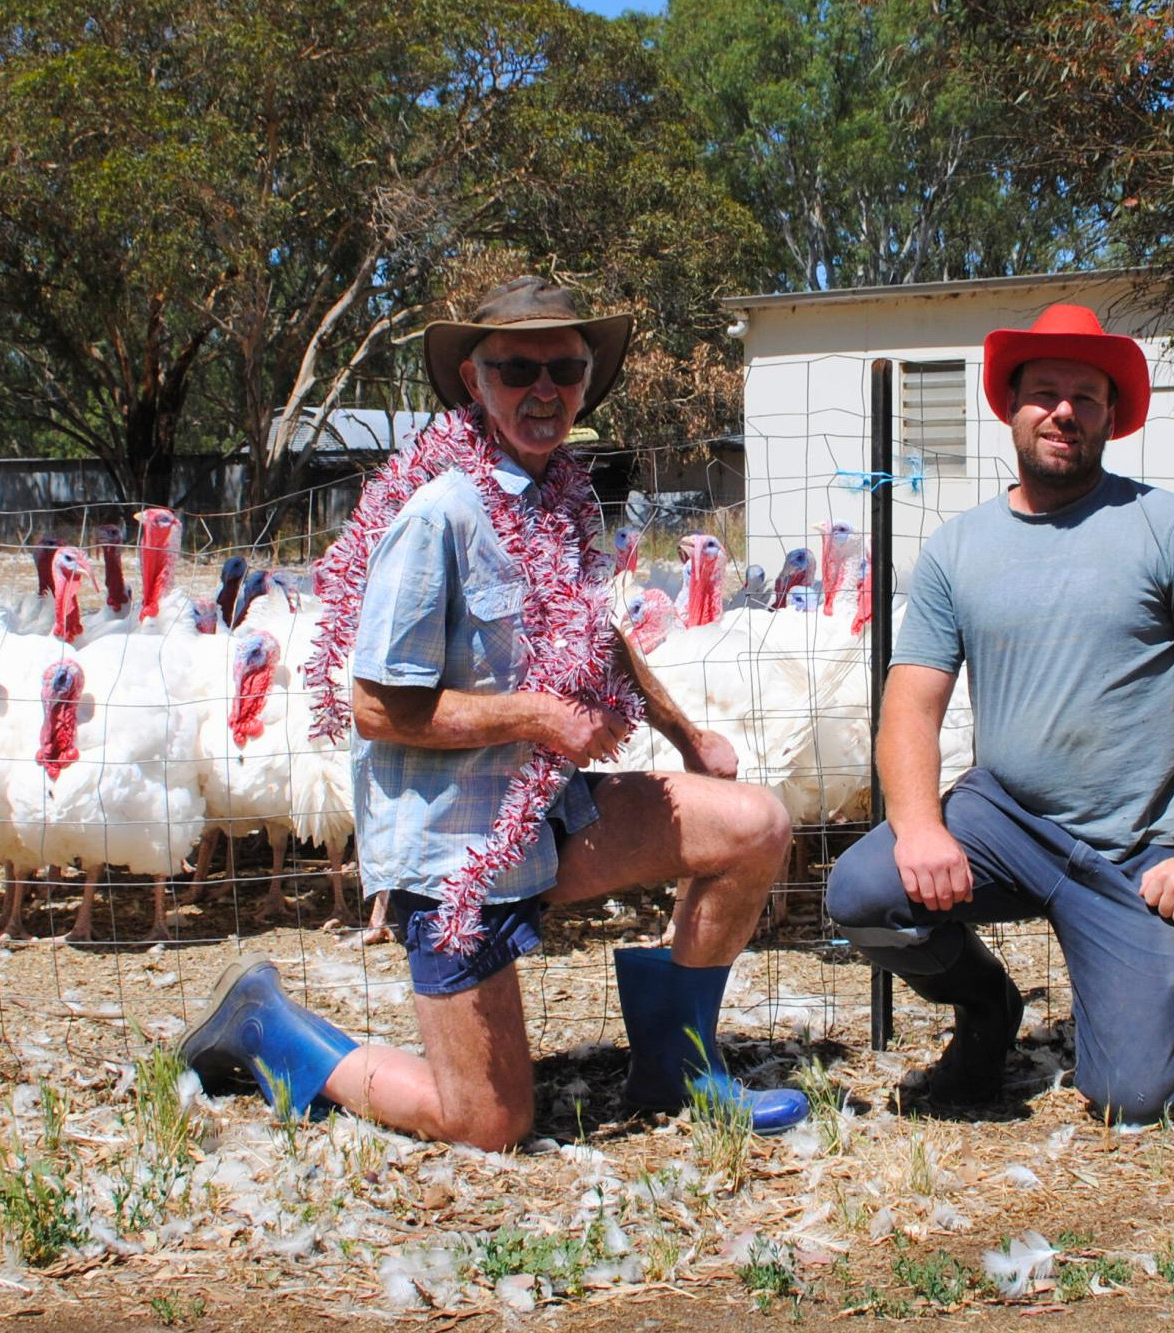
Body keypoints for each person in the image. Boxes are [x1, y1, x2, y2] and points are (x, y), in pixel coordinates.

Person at [182, 277, 808, 1147]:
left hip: (543, 815)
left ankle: (677, 1070)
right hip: (452, 847)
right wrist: (542, 720)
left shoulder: (556, 497)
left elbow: (597, 629)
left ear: (587, 383)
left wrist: (686, 735)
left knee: (755, 824)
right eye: (517, 369)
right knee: (488, 1122)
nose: (543, 389)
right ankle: (275, 1030)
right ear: (474, 382)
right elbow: (372, 705)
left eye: (565, 368)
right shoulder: (438, 513)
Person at [825, 303, 1174, 1124]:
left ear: (1112, 417)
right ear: (1011, 407)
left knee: (1134, 1099)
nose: (1064, 410)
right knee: (862, 890)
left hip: (1137, 852)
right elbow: (910, 706)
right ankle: (989, 1007)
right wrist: (921, 825)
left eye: (1086, 396)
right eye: (1044, 392)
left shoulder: (1166, 527)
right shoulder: (958, 549)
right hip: (1008, 825)